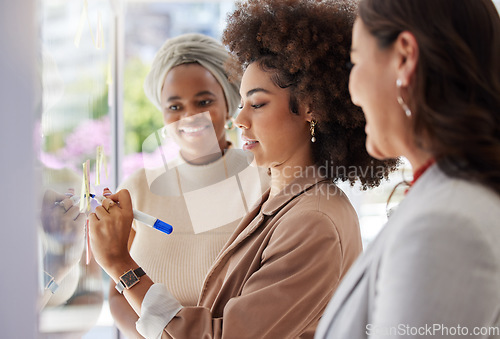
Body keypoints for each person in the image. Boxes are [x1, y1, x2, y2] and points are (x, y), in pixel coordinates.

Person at [90, 1, 396, 338]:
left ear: (310, 106)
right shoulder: (279, 202)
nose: (240, 120)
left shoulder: (313, 221)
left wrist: (121, 265)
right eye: (242, 104)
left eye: (258, 104)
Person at [315, 0, 500, 338]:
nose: (352, 93)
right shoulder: (451, 197)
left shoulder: (445, 224)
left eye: (354, 61)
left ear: (404, 58)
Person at [108, 33, 269, 338]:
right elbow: (118, 292)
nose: (190, 116)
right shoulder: (139, 188)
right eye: (174, 106)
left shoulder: (266, 179)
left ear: (230, 103)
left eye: (204, 101)